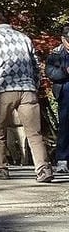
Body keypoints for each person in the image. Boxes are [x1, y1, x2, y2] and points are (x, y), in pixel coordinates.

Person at [0, 9, 54, 182]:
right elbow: (36, 65)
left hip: (5, 89)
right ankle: (43, 169)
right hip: (28, 89)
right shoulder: (24, 38)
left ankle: (0, 168)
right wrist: (34, 85)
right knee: (34, 132)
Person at [46, 24, 69, 174]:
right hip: (64, 91)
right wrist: (65, 71)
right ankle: (62, 159)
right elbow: (50, 73)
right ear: (63, 39)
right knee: (65, 125)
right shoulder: (55, 54)